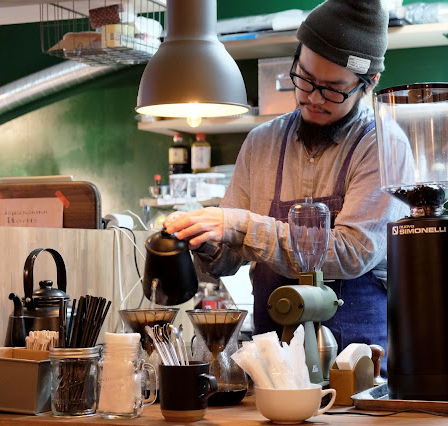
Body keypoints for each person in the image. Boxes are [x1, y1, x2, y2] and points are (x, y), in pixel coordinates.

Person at [164, 0, 408, 374]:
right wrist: (203, 237)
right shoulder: (262, 142)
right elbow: (229, 259)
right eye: (305, 79)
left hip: (357, 372)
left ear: (368, 83)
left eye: (332, 90)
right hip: (273, 368)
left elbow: (351, 253)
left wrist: (240, 224)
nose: (312, 97)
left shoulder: (382, 146)